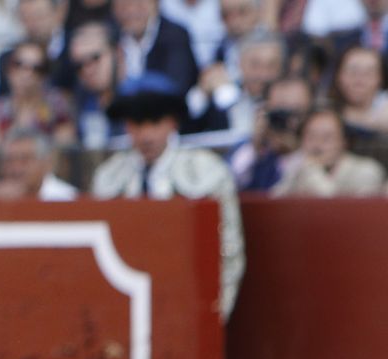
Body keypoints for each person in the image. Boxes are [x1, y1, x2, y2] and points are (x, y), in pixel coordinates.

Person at [90, 72, 243, 321]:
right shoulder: (109, 177)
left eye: (155, 122)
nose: (146, 135)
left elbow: (229, 249)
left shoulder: (206, 172)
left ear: (173, 123)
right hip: (124, 312)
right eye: (138, 124)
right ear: (127, 126)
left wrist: (213, 314)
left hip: (186, 303)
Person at [272, 106, 388, 193]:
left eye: (327, 138)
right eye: (311, 137)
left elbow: (339, 210)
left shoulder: (367, 171)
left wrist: (313, 172)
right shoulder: (298, 167)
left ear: (343, 142)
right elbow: (274, 203)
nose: (317, 145)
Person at [227, 72, 310, 188]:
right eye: (280, 113)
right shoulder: (254, 150)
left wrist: (299, 153)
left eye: (297, 113)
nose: (289, 122)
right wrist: (255, 146)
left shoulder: (321, 149)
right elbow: (229, 181)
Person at [331, 43, 388, 138]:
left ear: (380, 78)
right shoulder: (325, 107)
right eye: (353, 72)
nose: (359, 80)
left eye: (368, 73)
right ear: (338, 76)